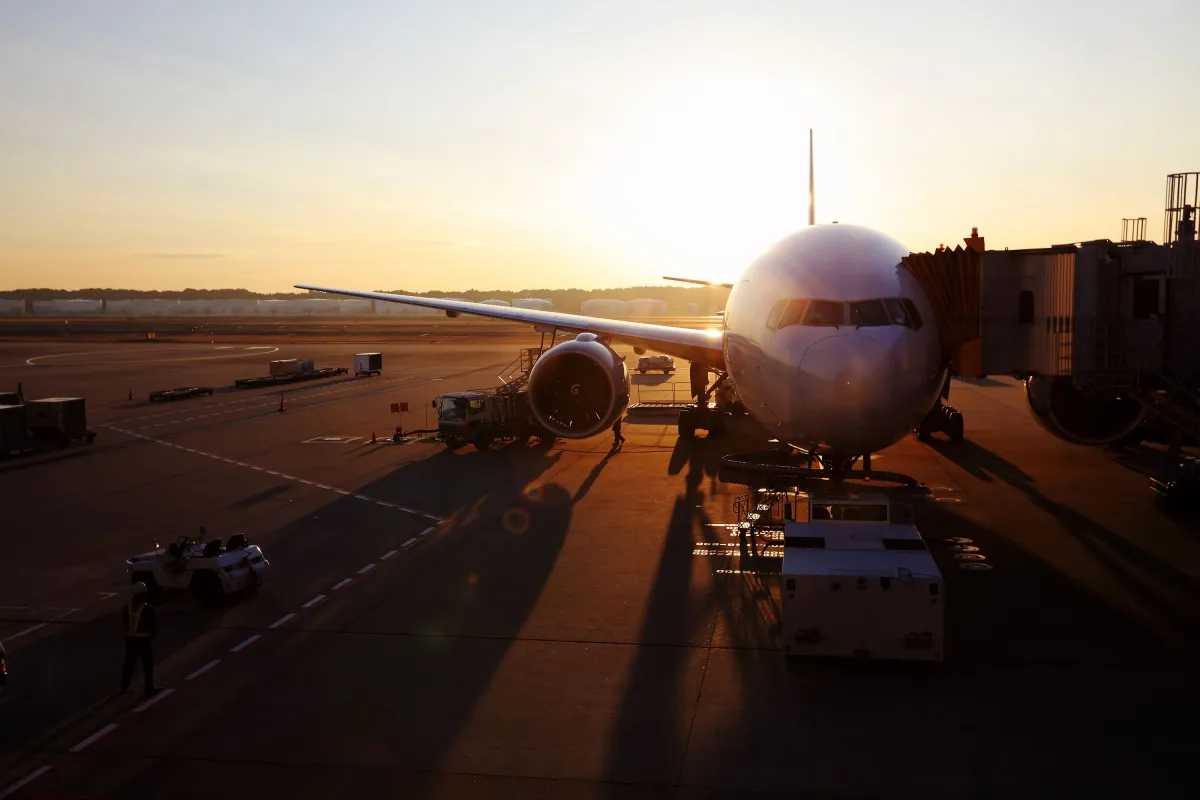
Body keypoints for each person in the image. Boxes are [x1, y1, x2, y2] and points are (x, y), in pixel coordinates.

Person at [120, 582, 161, 697]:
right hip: (143, 640)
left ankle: (124, 685)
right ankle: (149, 687)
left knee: (129, 663)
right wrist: (151, 635)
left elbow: (125, 622)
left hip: (130, 639)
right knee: (147, 665)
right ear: (143, 594)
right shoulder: (147, 609)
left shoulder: (126, 608)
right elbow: (153, 626)